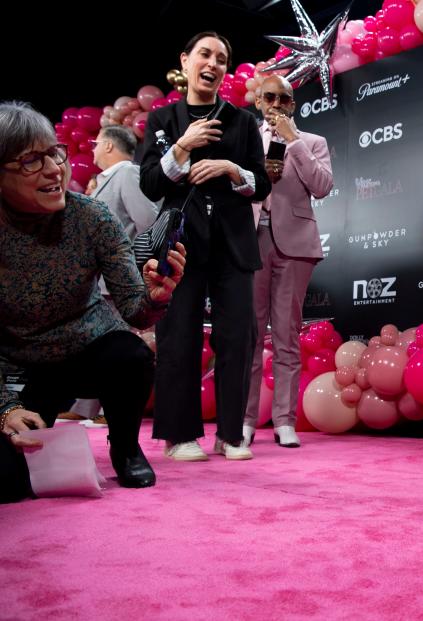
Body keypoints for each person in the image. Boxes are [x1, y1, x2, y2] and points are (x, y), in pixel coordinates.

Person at [0, 101, 185, 503]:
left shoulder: (92, 218)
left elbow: (135, 310)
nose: (54, 169)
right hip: (22, 370)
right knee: (9, 485)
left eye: (54, 153)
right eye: (31, 160)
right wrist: (6, 409)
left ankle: (125, 448)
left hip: (87, 349)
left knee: (131, 356)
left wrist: (155, 298)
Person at [140, 32, 270, 462]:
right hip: (180, 242)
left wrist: (233, 169)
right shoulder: (163, 121)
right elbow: (149, 183)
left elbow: (262, 183)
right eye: (205, 54)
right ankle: (179, 436)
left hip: (233, 243)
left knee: (237, 338)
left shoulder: (244, 121)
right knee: (178, 336)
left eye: (221, 57)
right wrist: (182, 147)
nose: (213, 63)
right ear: (186, 60)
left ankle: (231, 434)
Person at [242, 75, 333, 449]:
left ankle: (284, 421)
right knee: (248, 335)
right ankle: (244, 419)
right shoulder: (246, 141)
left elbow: (322, 185)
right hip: (250, 243)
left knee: (286, 335)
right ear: (259, 102)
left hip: (295, 245)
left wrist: (293, 140)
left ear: (292, 105)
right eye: (270, 97)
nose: (277, 103)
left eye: (284, 98)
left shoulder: (312, 143)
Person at [68, 125, 162, 424]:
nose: (93, 150)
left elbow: (147, 220)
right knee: (97, 340)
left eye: (96, 144)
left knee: (116, 340)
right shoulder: (107, 179)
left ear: (109, 146)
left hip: (120, 277)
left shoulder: (126, 174)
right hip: (101, 280)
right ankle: (85, 407)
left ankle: (113, 408)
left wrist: (125, 262)